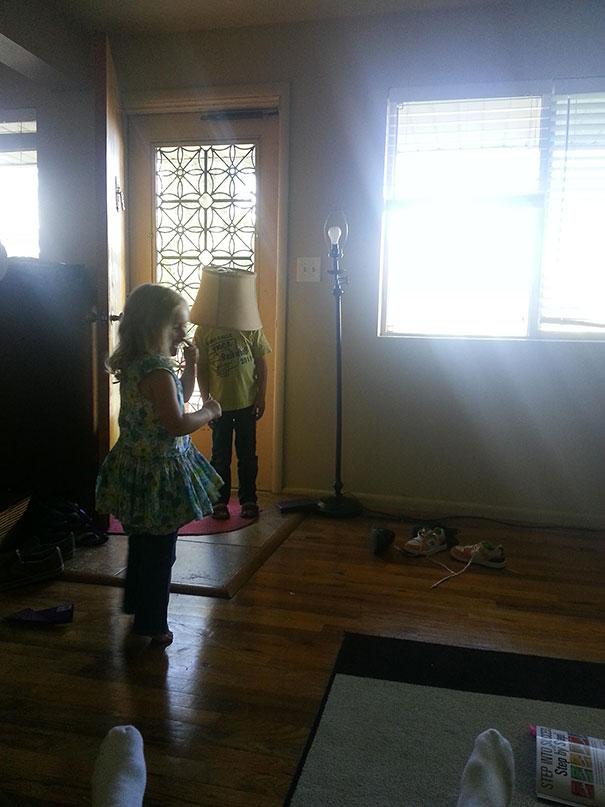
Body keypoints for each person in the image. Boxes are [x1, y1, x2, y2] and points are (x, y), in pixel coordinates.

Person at [95, 283, 223, 645]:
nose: (184, 332)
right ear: (154, 327)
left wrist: (192, 366)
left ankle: (137, 605)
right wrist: (209, 412)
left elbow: (178, 396)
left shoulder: (138, 366)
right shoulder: (158, 372)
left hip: (136, 468)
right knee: (160, 553)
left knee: (142, 544)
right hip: (158, 473)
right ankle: (151, 626)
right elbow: (178, 422)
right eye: (176, 325)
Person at [194, 324, 271, 520]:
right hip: (219, 407)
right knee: (220, 456)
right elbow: (201, 369)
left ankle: (249, 500)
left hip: (247, 404)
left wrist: (261, 396)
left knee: (247, 455)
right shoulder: (205, 329)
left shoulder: (250, 324)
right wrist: (206, 401)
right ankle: (219, 501)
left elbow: (261, 364)